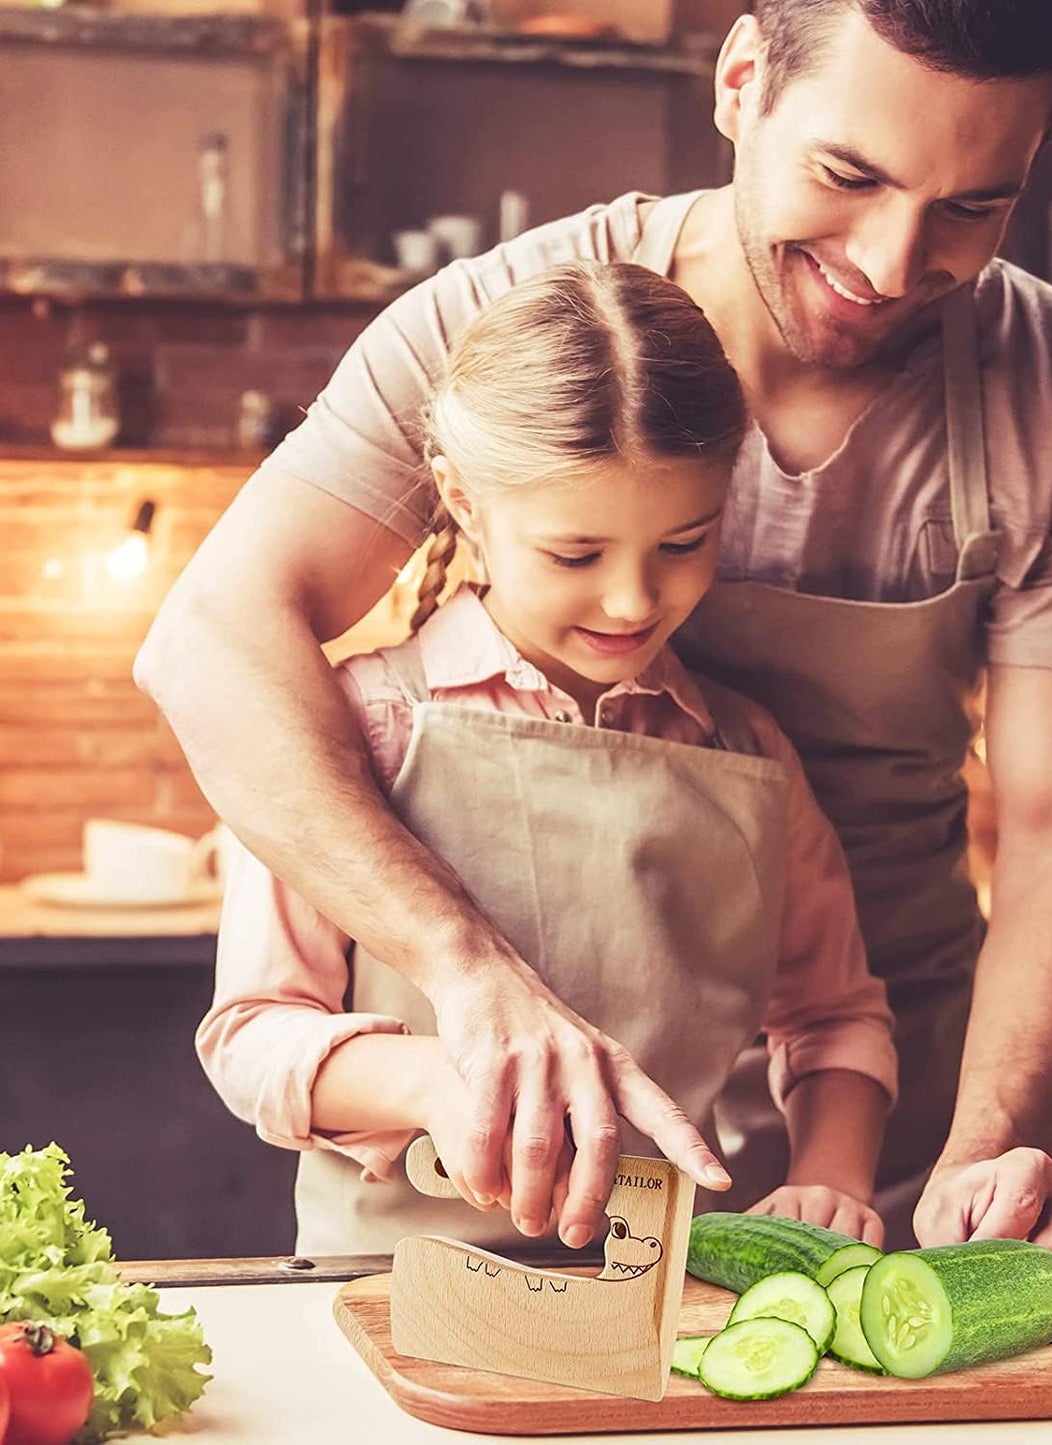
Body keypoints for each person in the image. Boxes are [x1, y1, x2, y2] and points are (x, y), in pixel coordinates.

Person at [139, 0, 1052, 1310]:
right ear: (742, 82)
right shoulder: (510, 331)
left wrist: (985, 1148)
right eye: (847, 175)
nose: (892, 260)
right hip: (446, 1203)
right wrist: (474, 996)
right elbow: (212, 640)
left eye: (974, 206)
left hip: (869, 1138)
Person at [194, 260, 899, 1256]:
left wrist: (830, 1174)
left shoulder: (746, 754)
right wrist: (436, 1081)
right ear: (464, 502)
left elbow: (834, 1015)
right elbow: (252, 1033)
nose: (631, 601)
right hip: (383, 1296)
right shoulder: (355, 729)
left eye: (682, 543)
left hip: (665, 1306)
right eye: (575, 554)